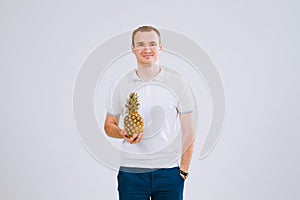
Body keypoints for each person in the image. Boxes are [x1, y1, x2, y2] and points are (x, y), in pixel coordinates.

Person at [104, 25, 195, 200]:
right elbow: (109, 125)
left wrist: (183, 170)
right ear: (133, 49)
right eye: (140, 44)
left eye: (152, 44)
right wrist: (122, 133)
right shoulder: (121, 84)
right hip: (131, 173)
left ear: (161, 47)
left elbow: (189, 132)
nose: (147, 49)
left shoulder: (178, 83)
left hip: (169, 172)